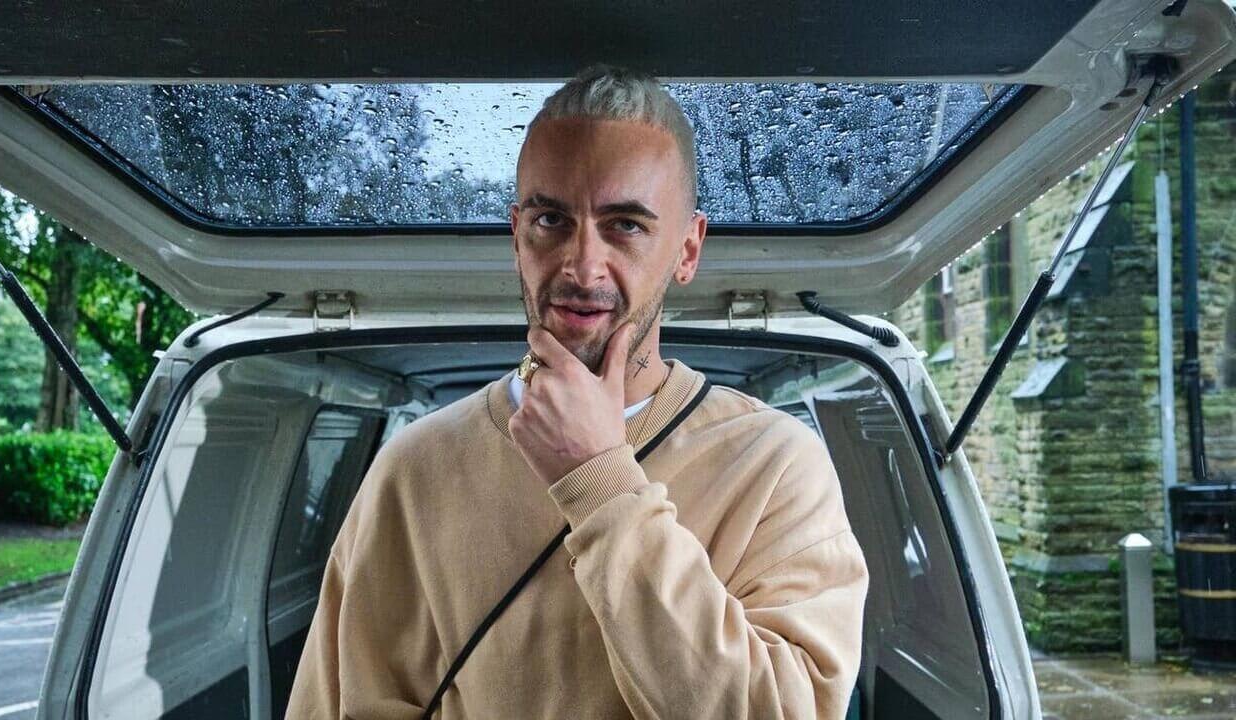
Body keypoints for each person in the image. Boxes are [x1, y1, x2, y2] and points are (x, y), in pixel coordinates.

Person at [286, 64, 868, 719]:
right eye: (551, 219)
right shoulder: (410, 472)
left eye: (626, 225)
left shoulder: (777, 466)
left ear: (687, 249)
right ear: (516, 236)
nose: (583, 265)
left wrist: (599, 480)